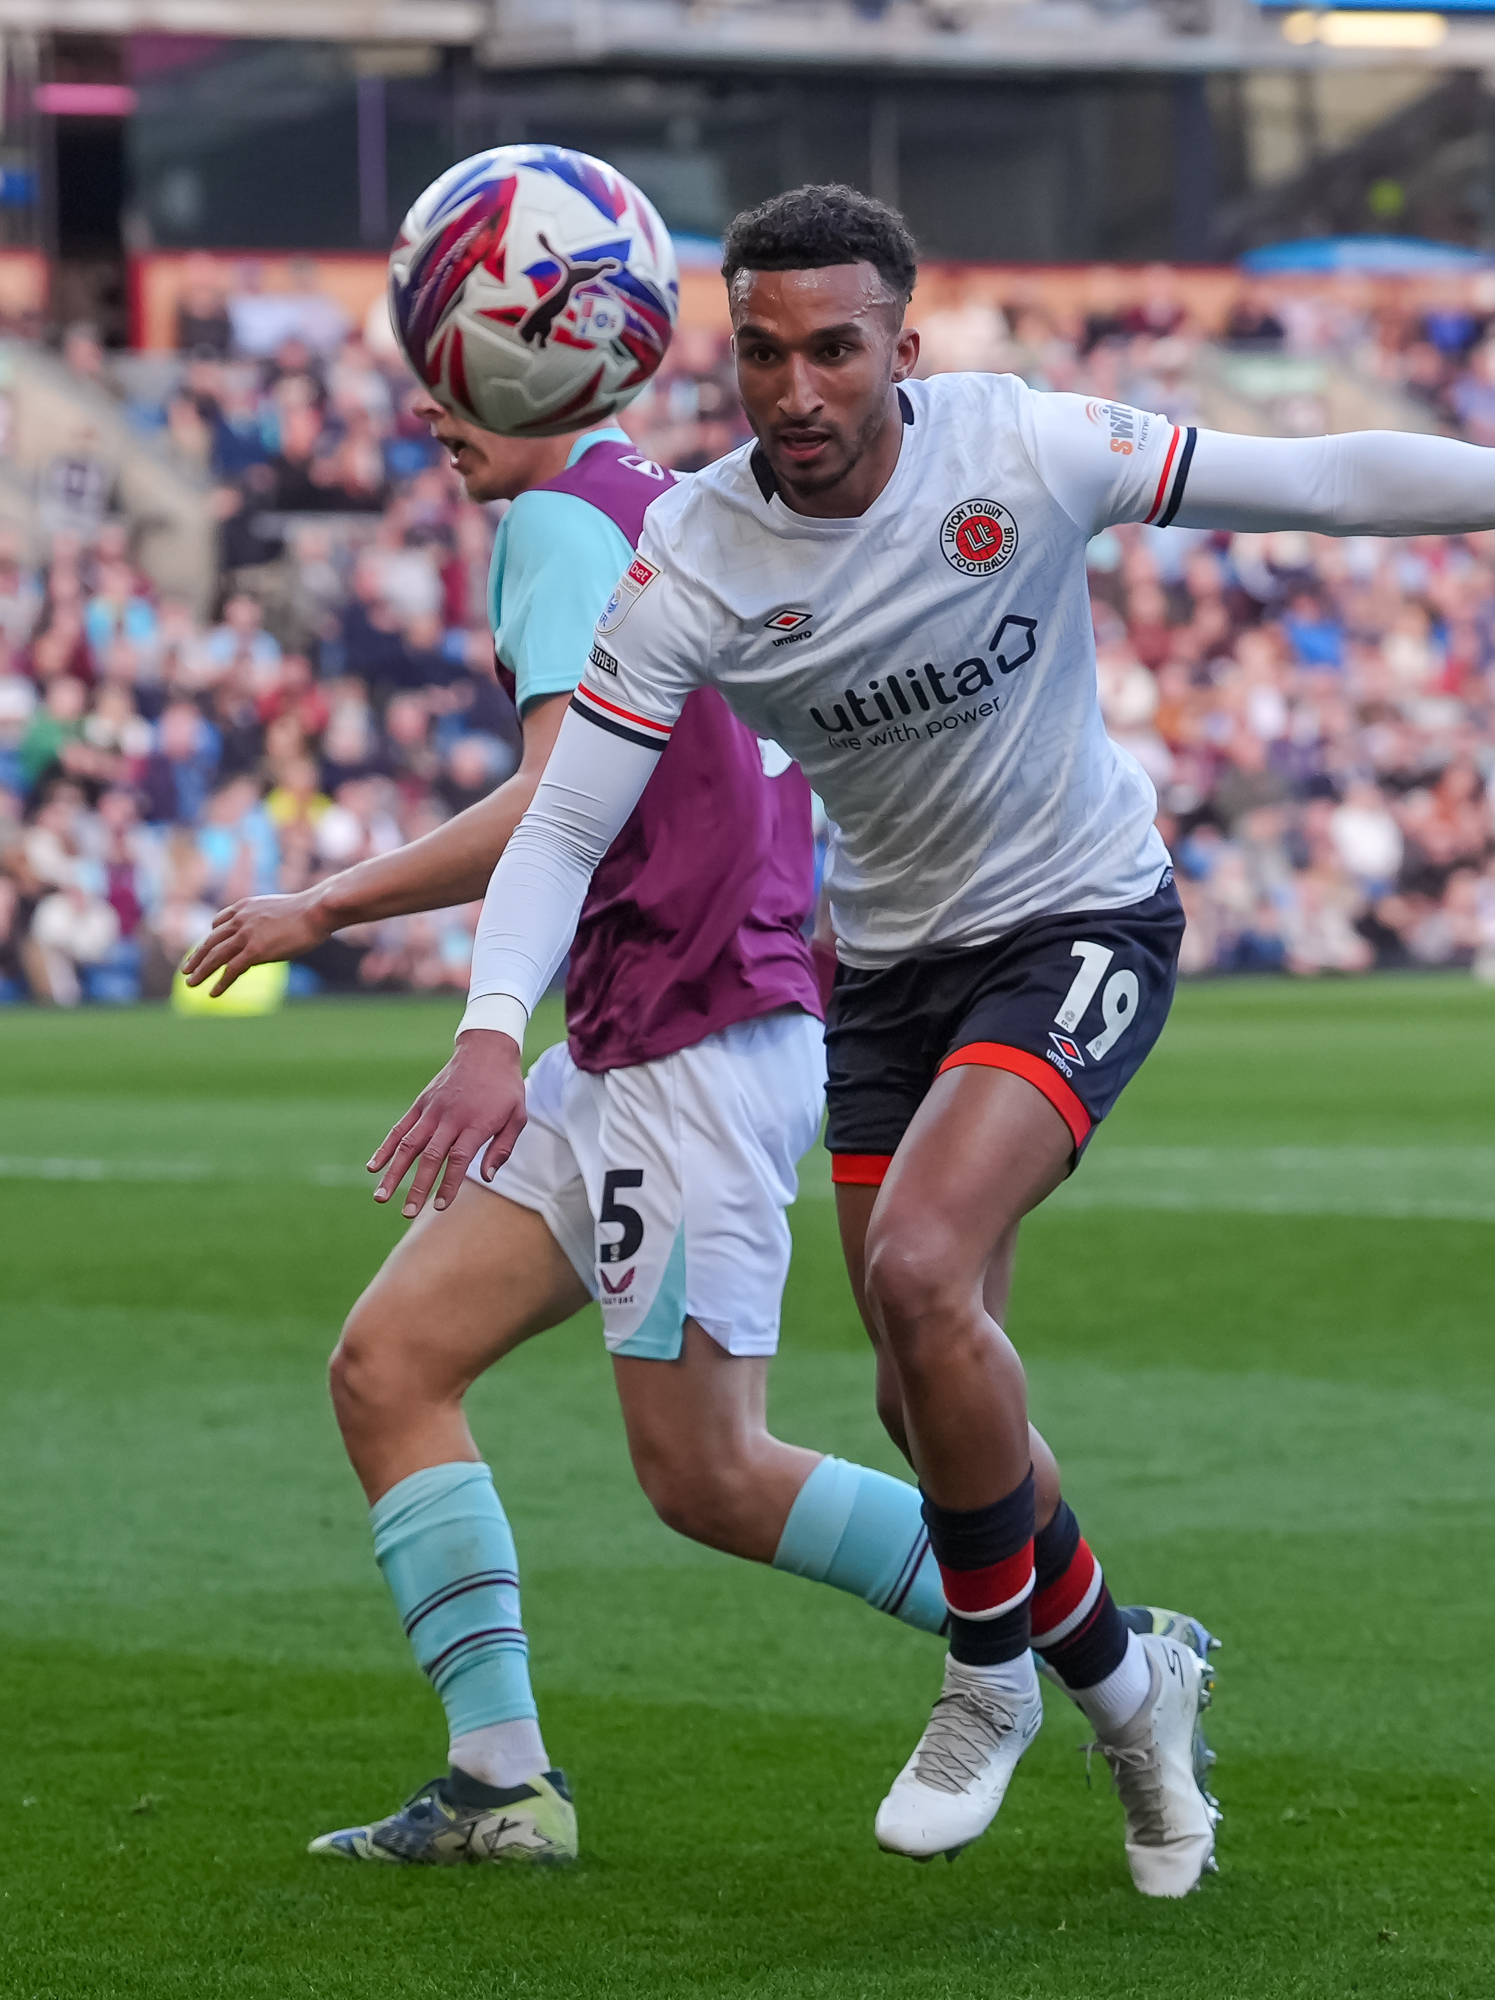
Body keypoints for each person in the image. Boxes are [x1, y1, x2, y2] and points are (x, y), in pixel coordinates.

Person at [369, 185, 1495, 1896]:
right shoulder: (693, 557)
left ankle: (989, 1675)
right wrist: (483, 1027)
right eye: (763, 354)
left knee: (918, 1267)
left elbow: (1325, 480)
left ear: (903, 350)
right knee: (930, 1410)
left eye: (837, 349)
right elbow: (560, 822)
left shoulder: (1026, 451)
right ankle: (1135, 1689)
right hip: (891, 978)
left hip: (1080, 923)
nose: (799, 391)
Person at [182, 384, 955, 1868]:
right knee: (391, 1365)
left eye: (458, 373)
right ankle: (501, 1785)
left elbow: (557, 797)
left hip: (688, 1047)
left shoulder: (557, 520)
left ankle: (1093, 1627)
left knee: (712, 1476)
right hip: (652, 1032)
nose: (426, 411)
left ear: (546, 371)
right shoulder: (677, 507)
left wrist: (330, 909)